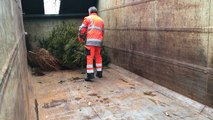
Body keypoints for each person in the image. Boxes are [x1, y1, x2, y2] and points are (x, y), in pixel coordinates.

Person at [78, 6, 104, 81]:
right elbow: (102, 32)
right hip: (99, 42)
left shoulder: (87, 18)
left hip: (90, 42)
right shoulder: (101, 20)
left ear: (89, 12)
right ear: (96, 12)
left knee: (90, 57)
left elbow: (82, 29)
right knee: (98, 56)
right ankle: (99, 73)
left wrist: (80, 36)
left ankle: (90, 75)